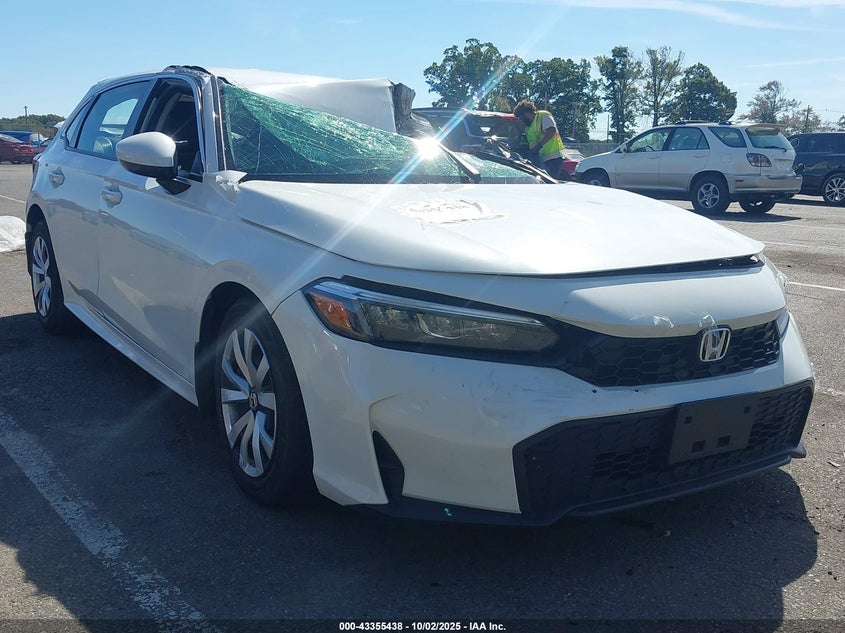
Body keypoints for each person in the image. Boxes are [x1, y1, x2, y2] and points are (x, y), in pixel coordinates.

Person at [513, 100, 567, 180]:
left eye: (521, 118)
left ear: (526, 113)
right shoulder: (528, 127)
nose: (521, 120)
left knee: (549, 181)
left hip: (553, 157)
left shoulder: (543, 115)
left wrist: (539, 145)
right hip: (539, 159)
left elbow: (551, 131)